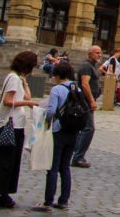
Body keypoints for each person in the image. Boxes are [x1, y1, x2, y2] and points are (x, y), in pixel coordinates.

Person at [33, 60, 82, 212]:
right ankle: (63, 200)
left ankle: (47, 201)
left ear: (58, 75)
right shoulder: (77, 89)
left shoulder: (57, 89)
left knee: (52, 167)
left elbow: (51, 111)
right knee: (65, 167)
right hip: (73, 131)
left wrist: (45, 127)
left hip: (58, 131)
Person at [0, 50, 40, 208]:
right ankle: (3, 194)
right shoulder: (13, 78)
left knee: (10, 162)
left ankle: (4, 193)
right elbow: (9, 101)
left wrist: (25, 81)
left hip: (16, 125)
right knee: (5, 162)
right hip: (10, 125)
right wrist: (27, 104)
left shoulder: (16, 78)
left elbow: (27, 96)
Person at [71, 45, 102, 168]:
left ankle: (77, 154)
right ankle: (78, 156)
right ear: (90, 54)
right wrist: (91, 101)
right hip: (85, 102)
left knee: (83, 128)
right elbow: (85, 84)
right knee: (89, 128)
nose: (99, 55)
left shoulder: (91, 66)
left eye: (100, 53)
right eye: (97, 53)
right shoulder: (86, 66)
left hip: (87, 101)